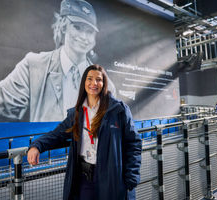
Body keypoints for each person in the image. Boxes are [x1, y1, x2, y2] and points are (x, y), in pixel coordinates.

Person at [0, 0, 116, 123]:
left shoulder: (106, 84)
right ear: (64, 26)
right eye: (77, 27)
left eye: (89, 31)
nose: (83, 36)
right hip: (46, 153)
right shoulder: (33, 66)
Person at [27, 65, 142, 200]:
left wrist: (131, 178)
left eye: (98, 80)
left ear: (104, 84)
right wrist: (37, 146)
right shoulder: (77, 113)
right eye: (90, 79)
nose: (94, 83)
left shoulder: (118, 110)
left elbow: (133, 143)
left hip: (111, 179)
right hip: (85, 178)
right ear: (84, 83)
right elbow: (57, 134)